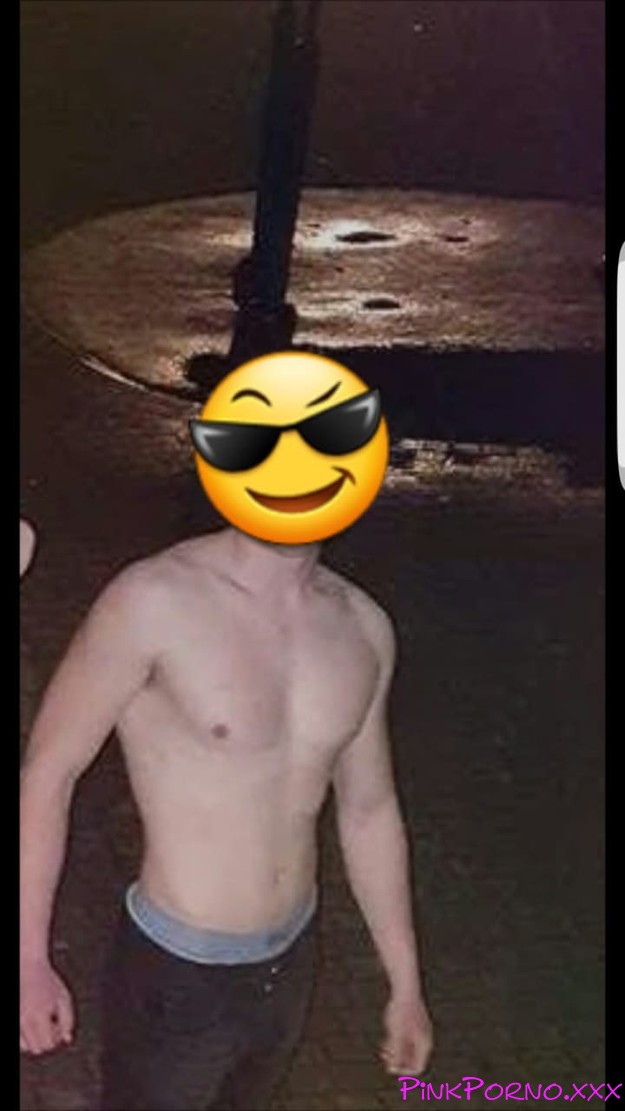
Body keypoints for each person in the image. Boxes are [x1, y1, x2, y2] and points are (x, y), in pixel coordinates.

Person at [20, 526, 433, 1110]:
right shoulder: (154, 600)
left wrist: (406, 984)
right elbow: (48, 773)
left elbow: (370, 809)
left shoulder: (363, 626)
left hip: (291, 963)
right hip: (176, 973)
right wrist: (28, 959)